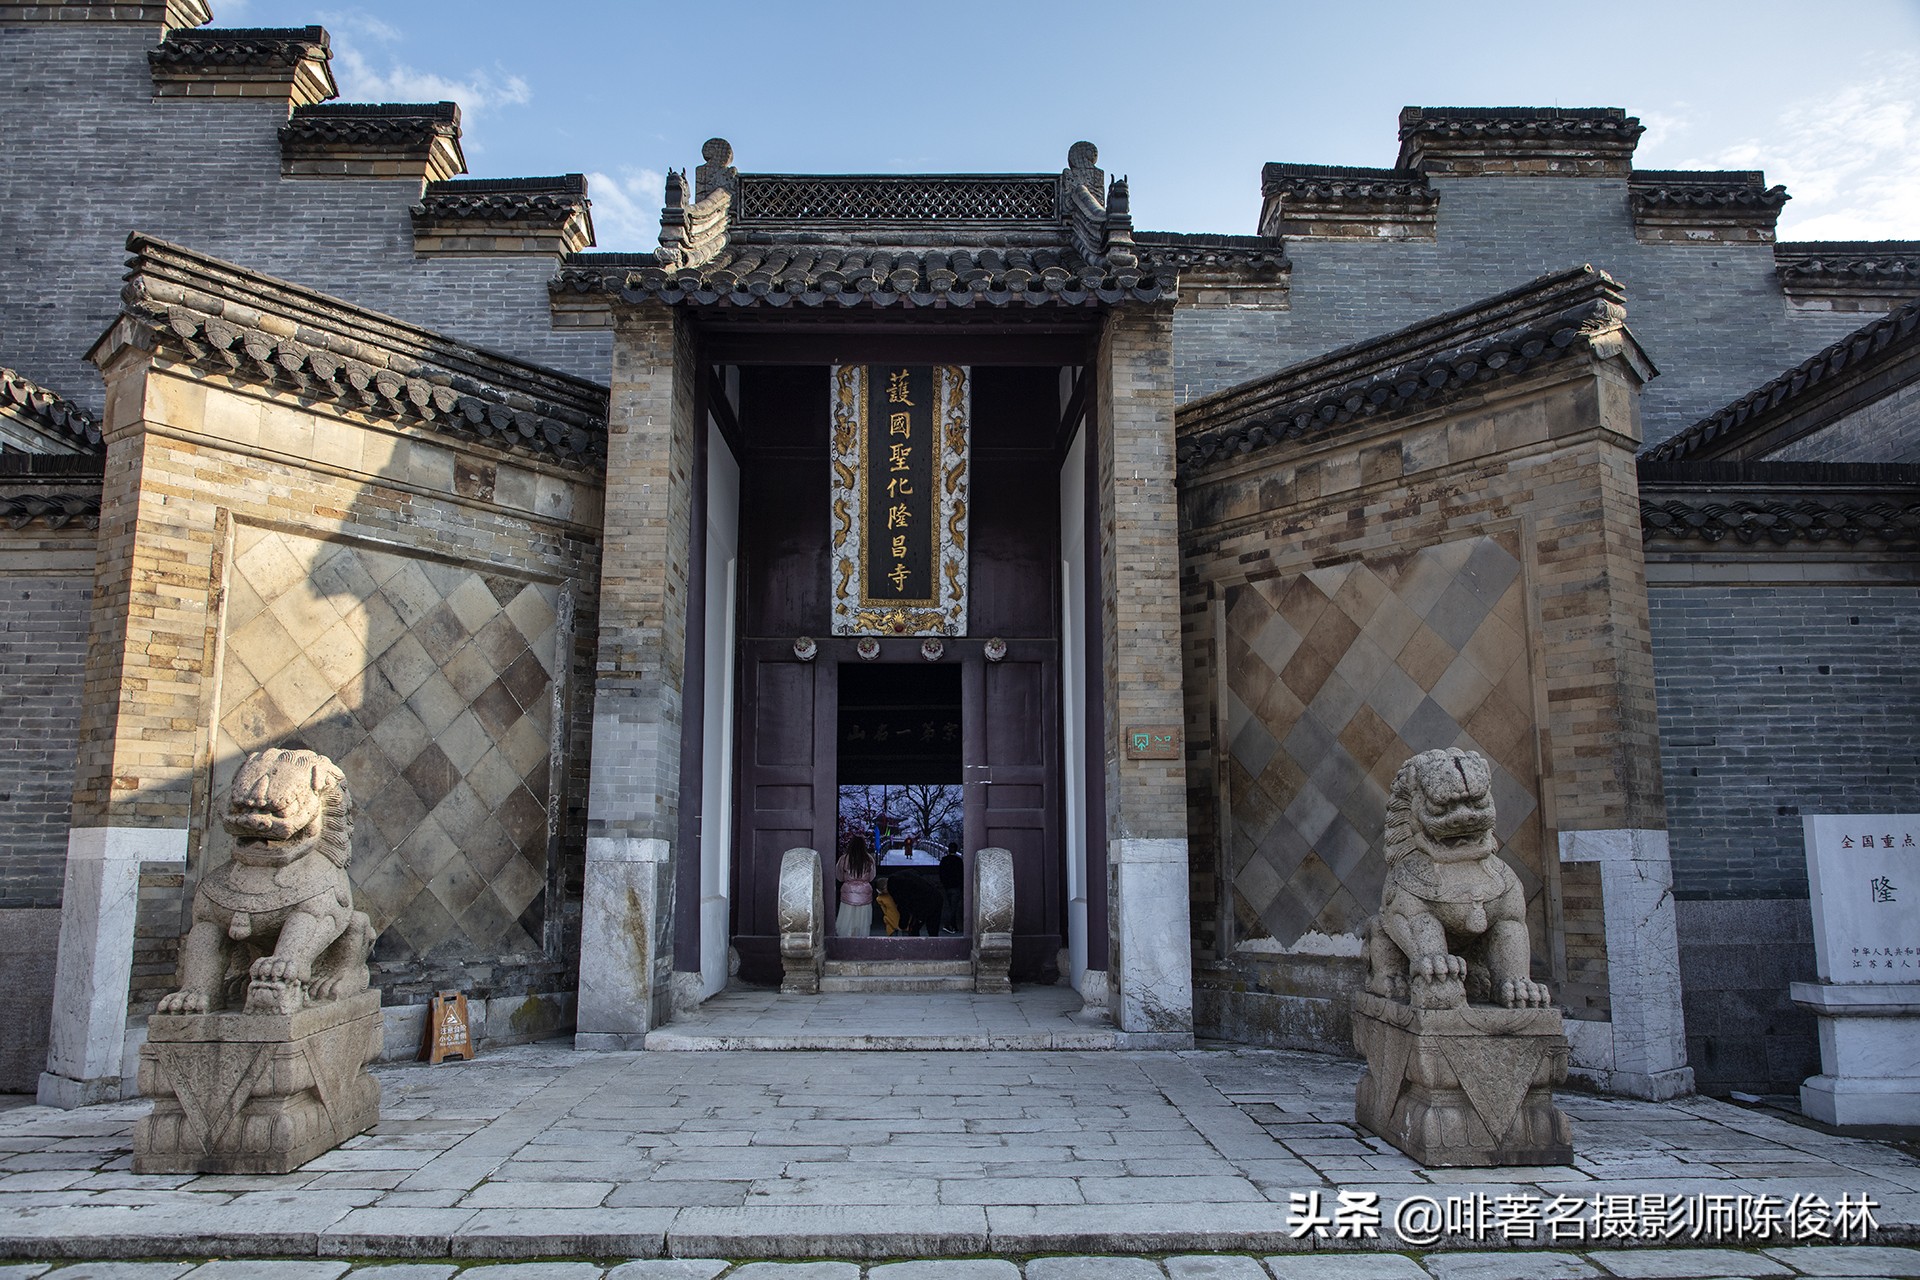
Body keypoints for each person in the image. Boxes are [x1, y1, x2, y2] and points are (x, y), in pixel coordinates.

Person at [835, 835, 876, 938]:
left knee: (847, 922)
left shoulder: (844, 858)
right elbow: (872, 877)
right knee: (862, 923)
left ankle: (847, 945)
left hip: (848, 894)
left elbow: (839, 877)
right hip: (864, 894)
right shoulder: (869, 859)